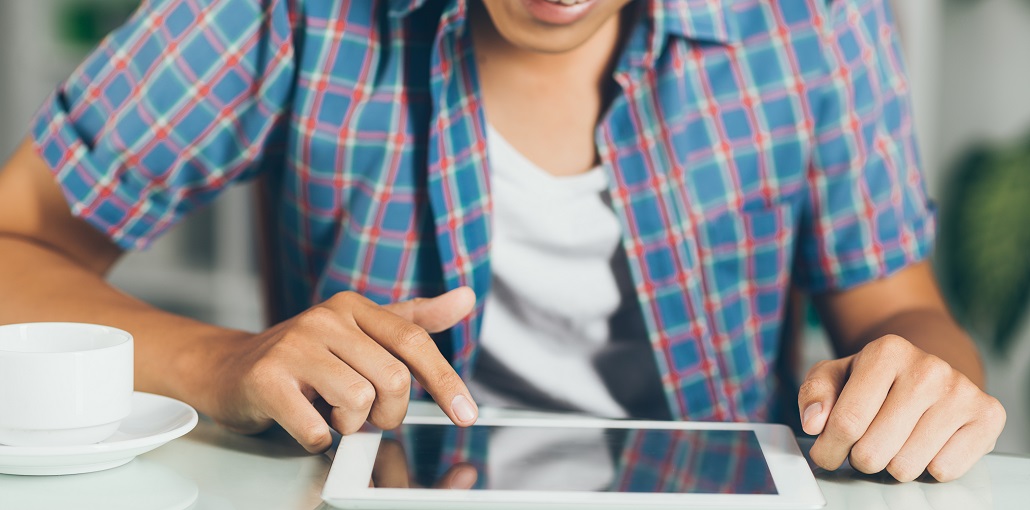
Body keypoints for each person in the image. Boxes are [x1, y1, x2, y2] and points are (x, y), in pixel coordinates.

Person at [0, 0, 1005, 481]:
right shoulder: (289, 13)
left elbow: (900, 309)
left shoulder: (816, 22)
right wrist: (224, 360)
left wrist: (917, 379)